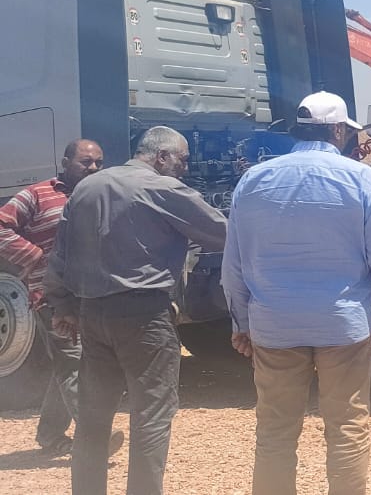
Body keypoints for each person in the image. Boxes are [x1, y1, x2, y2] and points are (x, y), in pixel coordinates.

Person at [222, 91, 371, 495]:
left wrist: (241, 323)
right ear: (338, 130)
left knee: (275, 431)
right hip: (342, 326)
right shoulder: (362, 179)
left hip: (274, 325)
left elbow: (233, 266)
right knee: (346, 428)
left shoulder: (253, 180)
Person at [44, 126, 228, 495]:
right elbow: (222, 231)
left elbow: (60, 253)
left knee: (93, 419)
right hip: (144, 318)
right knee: (151, 417)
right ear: (162, 156)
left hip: (92, 315)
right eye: (182, 160)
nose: (185, 168)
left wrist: (62, 305)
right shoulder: (163, 188)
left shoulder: (86, 188)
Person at [0, 139, 110, 457]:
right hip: (51, 296)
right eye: (85, 162)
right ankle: (94, 438)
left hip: (91, 296)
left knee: (70, 362)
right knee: (73, 362)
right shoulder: (37, 194)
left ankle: (49, 434)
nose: (93, 168)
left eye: (98, 163)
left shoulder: (100, 195)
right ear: (64, 163)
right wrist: (33, 255)